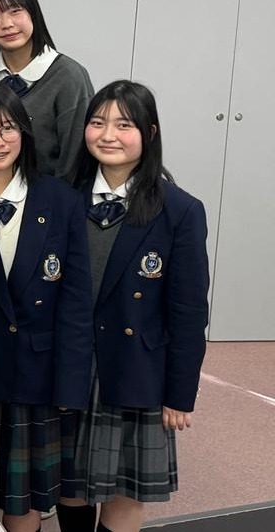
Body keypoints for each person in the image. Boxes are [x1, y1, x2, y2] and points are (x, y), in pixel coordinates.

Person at [57, 82, 210, 532]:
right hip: (70, 362)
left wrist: (180, 394)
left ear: (150, 132)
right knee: (70, 484)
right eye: (98, 122)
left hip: (138, 367)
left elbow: (188, 311)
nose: (108, 134)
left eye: (124, 124)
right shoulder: (64, 198)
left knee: (126, 488)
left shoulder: (179, 209)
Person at [0, 83, 92, 532]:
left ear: (25, 134)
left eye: (7, 128)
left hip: (37, 373)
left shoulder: (60, 200)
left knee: (22, 501)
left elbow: (75, 302)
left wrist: (72, 385)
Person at [0, 0, 95, 180]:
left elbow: (75, 159)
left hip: (50, 204)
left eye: (15, 11)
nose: (7, 24)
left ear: (33, 14)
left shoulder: (68, 76)